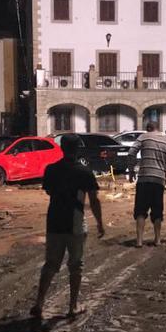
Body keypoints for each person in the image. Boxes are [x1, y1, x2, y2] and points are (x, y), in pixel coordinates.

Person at [31, 134, 105, 319]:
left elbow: (49, 190)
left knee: (50, 264)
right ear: (78, 149)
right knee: (76, 265)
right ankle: (72, 306)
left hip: (54, 221)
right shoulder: (84, 172)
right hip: (75, 223)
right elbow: (94, 201)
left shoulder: (51, 169)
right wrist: (100, 223)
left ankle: (39, 303)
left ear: (62, 148)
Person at [128, 122, 166, 247]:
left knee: (140, 210)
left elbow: (131, 153)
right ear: (158, 129)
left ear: (147, 129)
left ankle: (139, 241)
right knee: (157, 210)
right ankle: (157, 240)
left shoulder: (143, 137)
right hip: (159, 181)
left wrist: (131, 171)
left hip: (144, 179)